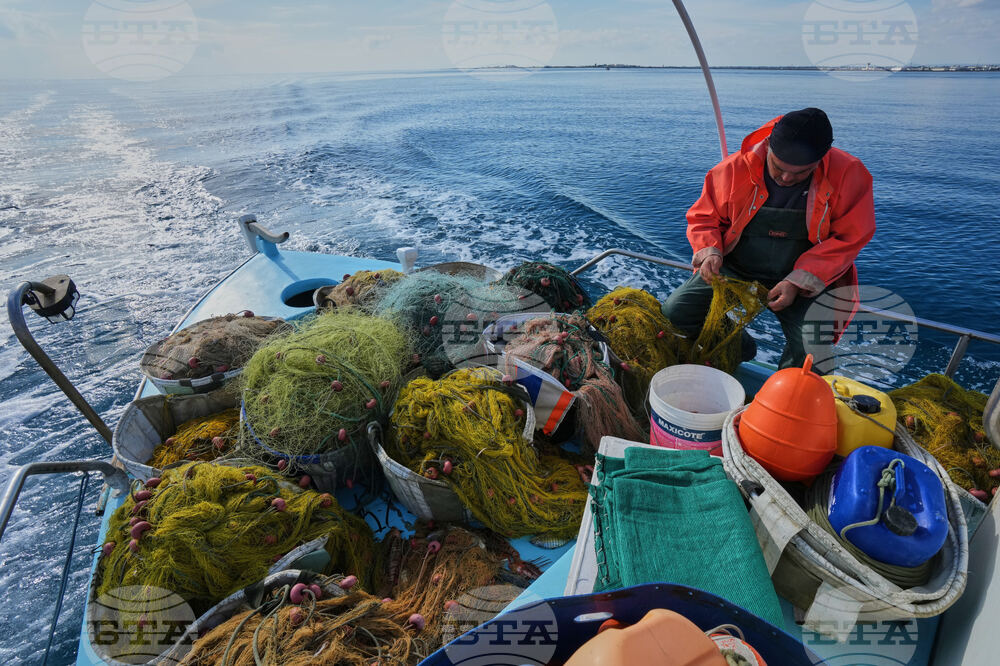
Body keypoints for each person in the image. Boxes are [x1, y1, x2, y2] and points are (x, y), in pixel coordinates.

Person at [662, 108, 875, 369]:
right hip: (736, 268)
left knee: (812, 347)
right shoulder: (734, 168)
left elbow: (850, 237)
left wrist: (798, 281)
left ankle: (784, 391)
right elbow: (704, 216)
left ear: (822, 158)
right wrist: (710, 250)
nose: (786, 178)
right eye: (778, 167)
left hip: (802, 277)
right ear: (768, 147)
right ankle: (738, 346)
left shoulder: (849, 174)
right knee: (676, 312)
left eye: (801, 173)